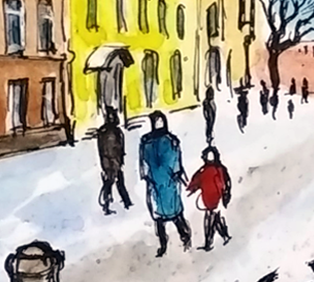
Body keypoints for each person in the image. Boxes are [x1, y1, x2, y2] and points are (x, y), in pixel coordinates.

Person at [137, 110, 191, 255]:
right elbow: (143, 162)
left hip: (169, 183)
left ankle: (184, 236)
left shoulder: (171, 140)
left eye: (160, 121)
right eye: (156, 122)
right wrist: (146, 176)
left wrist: (177, 173)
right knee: (159, 218)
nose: (158, 124)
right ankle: (163, 243)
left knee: (175, 214)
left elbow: (177, 160)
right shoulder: (147, 142)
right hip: (156, 184)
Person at [188, 146, 233, 250]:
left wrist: (226, 194)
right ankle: (222, 237)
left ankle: (210, 243)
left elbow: (227, 182)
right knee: (215, 220)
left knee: (210, 221)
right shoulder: (204, 171)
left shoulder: (219, 170)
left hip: (217, 200)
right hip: (209, 201)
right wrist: (193, 188)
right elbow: (195, 181)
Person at [93, 107, 131, 214]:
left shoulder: (103, 132)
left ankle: (111, 203)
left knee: (110, 183)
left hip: (109, 161)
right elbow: (120, 148)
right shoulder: (115, 132)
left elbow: (104, 149)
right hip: (113, 161)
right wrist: (119, 161)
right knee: (116, 182)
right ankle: (124, 202)